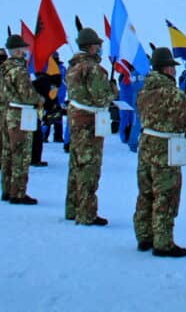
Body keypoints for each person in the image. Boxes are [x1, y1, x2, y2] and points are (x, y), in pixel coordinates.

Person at [134, 47, 186, 257]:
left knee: (145, 191)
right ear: (167, 69)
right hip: (166, 147)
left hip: (146, 143)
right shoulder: (173, 93)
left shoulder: (143, 91)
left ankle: (144, 236)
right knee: (166, 194)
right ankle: (163, 241)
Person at [65, 27, 117, 226]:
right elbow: (101, 97)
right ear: (92, 47)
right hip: (90, 121)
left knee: (76, 165)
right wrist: (112, 89)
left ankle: (72, 208)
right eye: (99, 45)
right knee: (89, 167)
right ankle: (86, 212)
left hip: (77, 120)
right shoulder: (93, 69)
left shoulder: (73, 66)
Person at [0, 34, 43, 204]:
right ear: (17, 51)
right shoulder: (19, 70)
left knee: (8, 153)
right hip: (21, 114)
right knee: (21, 154)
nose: (25, 51)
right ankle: (18, 192)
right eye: (23, 48)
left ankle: (7, 189)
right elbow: (27, 95)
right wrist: (40, 100)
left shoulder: (4, 69)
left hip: (8, 112)